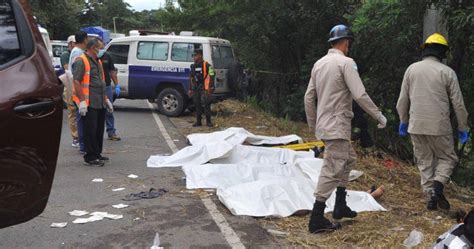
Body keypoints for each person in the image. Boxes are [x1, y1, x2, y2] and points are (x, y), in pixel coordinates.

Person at [304, 24, 387, 233]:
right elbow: (359, 95)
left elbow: (308, 97)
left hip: (325, 125)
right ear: (346, 42)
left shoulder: (319, 64)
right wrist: (378, 115)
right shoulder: (346, 63)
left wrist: (314, 124)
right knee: (331, 168)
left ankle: (340, 204)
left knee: (348, 158)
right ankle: (316, 217)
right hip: (337, 125)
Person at [396, 33, 469, 211]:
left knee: (424, 161)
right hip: (439, 125)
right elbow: (458, 104)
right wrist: (462, 127)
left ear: (425, 50)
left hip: (416, 125)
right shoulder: (447, 72)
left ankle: (431, 197)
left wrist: (403, 120)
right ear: (443, 53)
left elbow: (402, 100)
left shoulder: (411, 69)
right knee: (447, 158)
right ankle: (437, 188)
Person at [72, 38, 114, 167]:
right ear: (92, 48)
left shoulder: (97, 61)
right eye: (99, 47)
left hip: (99, 100)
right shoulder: (81, 61)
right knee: (90, 130)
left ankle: (97, 153)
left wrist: (106, 99)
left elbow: (101, 82)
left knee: (98, 129)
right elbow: (77, 81)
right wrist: (82, 101)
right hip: (89, 102)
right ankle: (90, 157)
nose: (101, 50)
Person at [70, 31, 89, 154]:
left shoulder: (77, 51)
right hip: (79, 90)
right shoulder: (78, 53)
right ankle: (83, 145)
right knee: (81, 118)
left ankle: (83, 144)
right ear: (85, 39)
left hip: (79, 89)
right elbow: (77, 77)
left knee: (81, 118)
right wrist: (82, 99)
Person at [60, 35, 79, 147]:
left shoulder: (78, 53)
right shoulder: (66, 55)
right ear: (70, 44)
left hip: (77, 84)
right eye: (74, 43)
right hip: (69, 85)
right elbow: (68, 69)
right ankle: (75, 137)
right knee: (72, 110)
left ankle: (81, 135)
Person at [188, 49, 216, 127]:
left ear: (200, 55)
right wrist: (190, 89)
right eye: (193, 56)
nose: (194, 57)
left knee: (206, 104)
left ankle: (208, 122)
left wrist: (210, 87)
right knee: (197, 104)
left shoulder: (207, 65)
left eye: (195, 55)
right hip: (195, 88)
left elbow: (212, 75)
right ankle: (198, 121)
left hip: (204, 88)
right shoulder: (193, 66)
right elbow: (191, 78)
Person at [99, 50, 121, 141]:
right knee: (96, 110)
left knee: (109, 109)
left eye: (101, 46)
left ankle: (111, 131)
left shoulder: (107, 56)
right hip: (94, 87)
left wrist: (117, 85)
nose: (99, 49)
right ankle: (96, 133)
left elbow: (112, 71)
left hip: (106, 86)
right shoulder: (89, 56)